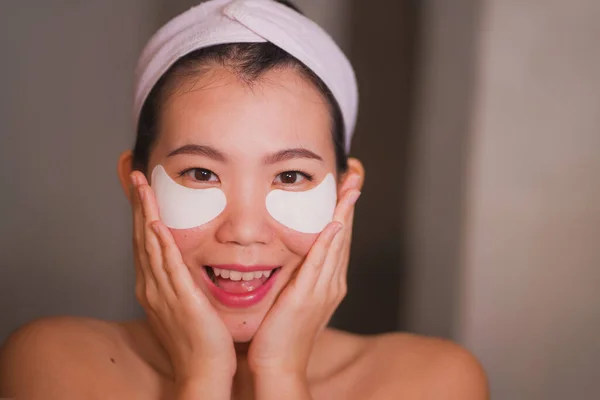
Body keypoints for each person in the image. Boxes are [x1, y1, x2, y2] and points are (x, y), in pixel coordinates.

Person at [0, 0, 488, 398]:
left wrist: (280, 375)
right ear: (135, 184)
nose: (245, 231)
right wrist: (203, 378)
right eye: (201, 173)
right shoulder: (54, 365)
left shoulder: (432, 382)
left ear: (346, 190)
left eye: (291, 175)